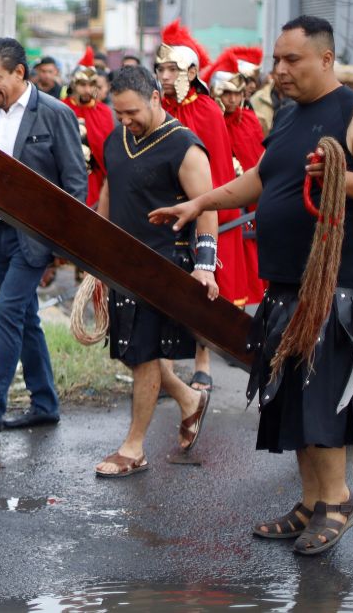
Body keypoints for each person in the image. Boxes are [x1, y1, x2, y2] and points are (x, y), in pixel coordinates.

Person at [151, 15, 353, 555]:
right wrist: (199, 202)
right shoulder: (290, 118)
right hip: (285, 284)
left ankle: (338, 501)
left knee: (324, 400)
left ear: (326, 59)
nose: (280, 70)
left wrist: (338, 177)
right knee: (293, 398)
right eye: (277, 60)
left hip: (336, 288)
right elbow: (262, 178)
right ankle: (312, 501)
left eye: (292, 60)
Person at [0, 37, 88, 432]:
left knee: (7, 311)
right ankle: (44, 404)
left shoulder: (54, 114)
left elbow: (75, 183)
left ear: (19, 73)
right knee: (25, 318)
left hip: (35, 238)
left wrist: (65, 245)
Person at [92, 66, 215, 476]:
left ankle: (133, 448)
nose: (125, 121)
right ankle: (189, 399)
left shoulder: (185, 148)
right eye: (119, 114)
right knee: (131, 350)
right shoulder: (116, 139)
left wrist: (205, 266)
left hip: (165, 264)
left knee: (144, 354)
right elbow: (110, 188)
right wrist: (96, 246)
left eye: (132, 113)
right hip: (122, 264)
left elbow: (207, 208)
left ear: (156, 99)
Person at [155, 19, 248, 391]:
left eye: (171, 68)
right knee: (161, 288)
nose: (163, 74)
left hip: (203, 209)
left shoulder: (207, 110)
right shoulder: (156, 105)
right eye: (160, 67)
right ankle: (162, 367)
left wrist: (208, 210)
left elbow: (217, 172)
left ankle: (202, 358)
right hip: (164, 209)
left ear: (191, 72)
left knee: (203, 288)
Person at [204, 47, 266, 303]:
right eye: (226, 93)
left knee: (248, 276)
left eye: (237, 93)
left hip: (247, 206)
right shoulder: (208, 118)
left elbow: (259, 161)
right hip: (217, 205)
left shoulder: (251, 120)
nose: (232, 99)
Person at [63, 46, 117, 209]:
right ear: (73, 84)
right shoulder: (62, 109)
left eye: (91, 84)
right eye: (82, 84)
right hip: (66, 179)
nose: (87, 89)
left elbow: (107, 150)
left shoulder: (104, 112)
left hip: (96, 179)